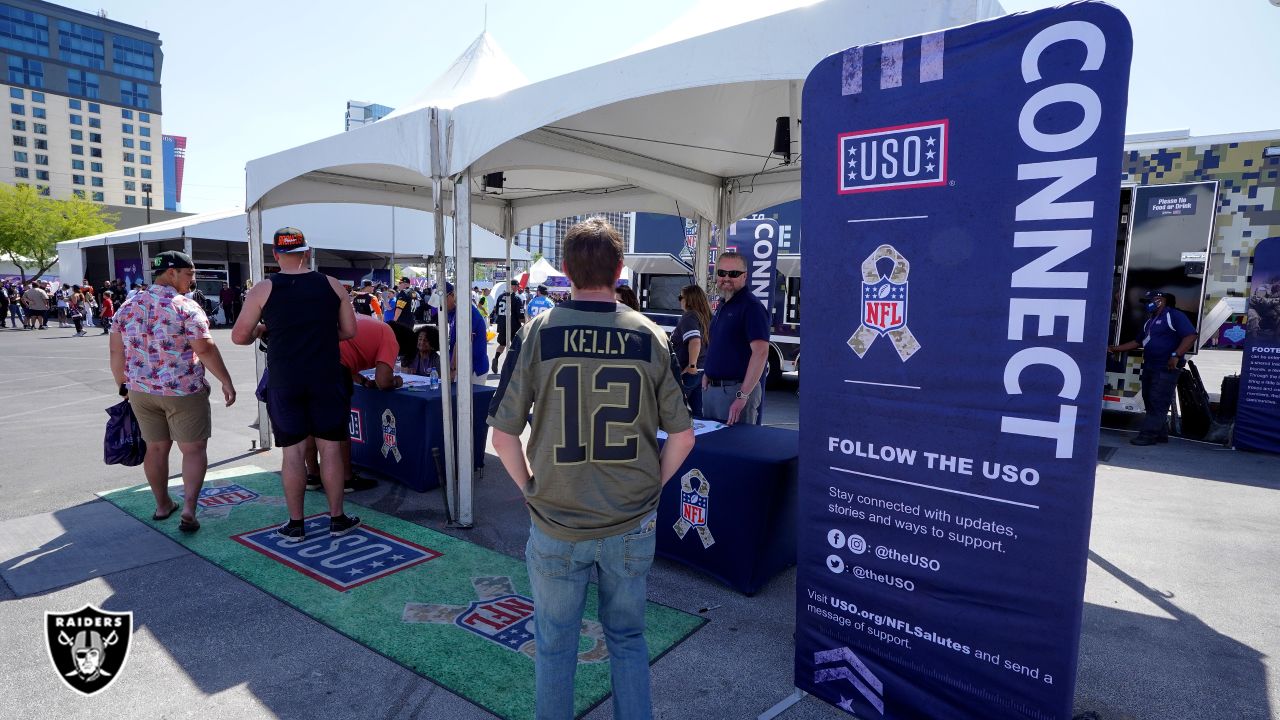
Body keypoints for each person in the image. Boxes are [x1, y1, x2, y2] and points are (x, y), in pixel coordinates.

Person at [487, 217, 695, 719]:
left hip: (557, 518)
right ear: (620, 270)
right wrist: (650, 491)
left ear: (564, 270)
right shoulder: (649, 334)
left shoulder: (538, 331)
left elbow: (502, 434)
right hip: (630, 521)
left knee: (555, 644)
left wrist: (530, 489)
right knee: (627, 638)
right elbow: (683, 436)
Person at [232, 227, 359, 541]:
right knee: (330, 450)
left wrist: (263, 329)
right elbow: (349, 331)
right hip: (326, 377)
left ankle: (296, 524)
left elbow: (238, 336)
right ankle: (337, 519)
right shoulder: (332, 285)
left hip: (285, 380)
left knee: (293, 453)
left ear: (276, 255)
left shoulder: (263, 289)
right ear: (306, 252)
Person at [110, 250, 237, 532]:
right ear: (171, 273)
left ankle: (162, 504)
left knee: (155, 448)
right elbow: (204, 348)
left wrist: (124, 387)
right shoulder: (186, 307)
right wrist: (225, 380)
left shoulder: (128, 306)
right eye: (189, 274)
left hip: (141, 391)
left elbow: (116, 351)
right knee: (192, 449)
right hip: (182, 389)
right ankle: (190, 508)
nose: (192, 280)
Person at [1108, 290, 1198, 446]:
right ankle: (1160, 433)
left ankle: (1147, 435)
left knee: (1158, 400)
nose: (1147, 304)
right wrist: (1114, 349)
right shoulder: (1149, 322)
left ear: (1160, 300)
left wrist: (1176, 355)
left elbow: (1191, 335)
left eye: (1150, 300)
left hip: (1165, 365)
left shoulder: (1174, 315)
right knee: (1149, 398)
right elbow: (1137, 342)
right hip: (1150, 364)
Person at [701, 251, 771, 425]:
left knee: (736, 448)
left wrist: (743, 395)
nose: (726, 278)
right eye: (721, 273)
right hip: (713, 391)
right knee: (713, 448)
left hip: (735, 392)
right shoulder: (724, 304)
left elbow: (761, 352)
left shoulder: (751, 307)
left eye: (733, 274)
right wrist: (709, 373)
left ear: (745, 276)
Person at [674, 284, 712, 418]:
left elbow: (695, 341)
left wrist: (691, 366)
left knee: (674, 411)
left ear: (688, 299)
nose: (679, 300)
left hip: (690, 372)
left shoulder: (689, 316)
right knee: (697, 413)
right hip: (703, 372)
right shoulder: (706, 317)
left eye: (681, 297)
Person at [445, 282, 490, 383]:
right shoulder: (452, 312)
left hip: (474, 368)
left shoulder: (466, 312)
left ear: (452, 295)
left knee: (472, 398)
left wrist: (452, 368)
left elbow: (462, 342)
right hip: (461, 366)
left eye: (443, 299)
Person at [492, 284, 525, 372]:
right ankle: (511, 365)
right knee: (515, 346)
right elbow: (521, 316)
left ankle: (496, 358)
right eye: (517, 286)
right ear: (515, 287)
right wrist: (525, 322)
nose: (518, 288)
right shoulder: (516, 299)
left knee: (502, 344)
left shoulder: (500, 297)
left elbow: (496, 311)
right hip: (513, 326)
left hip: (502, 325)